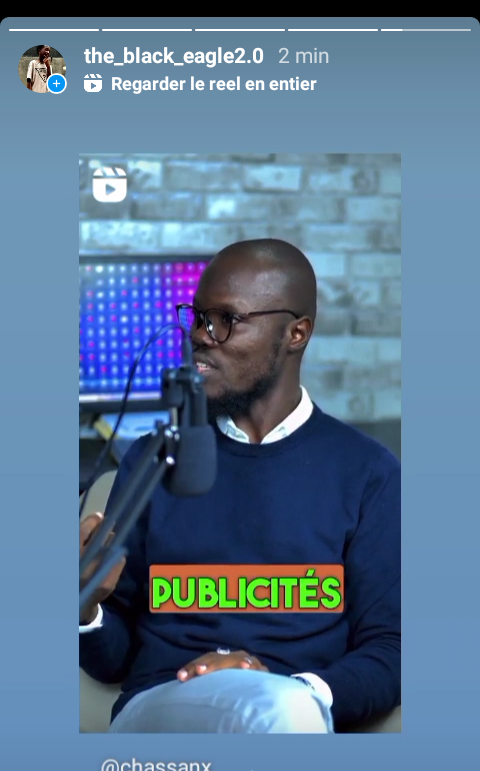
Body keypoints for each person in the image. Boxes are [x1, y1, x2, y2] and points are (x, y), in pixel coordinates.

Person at [80, 239, 401, 734]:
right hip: (162, 703)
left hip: (295, 711)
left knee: (282, 711)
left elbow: (391, 650)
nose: (200, 336)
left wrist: (292, 688)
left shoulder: (367, 473)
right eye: (198, 317)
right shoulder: (153, 460)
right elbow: (112, 660)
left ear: (295, 333)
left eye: (225, 320)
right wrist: (86, 606)